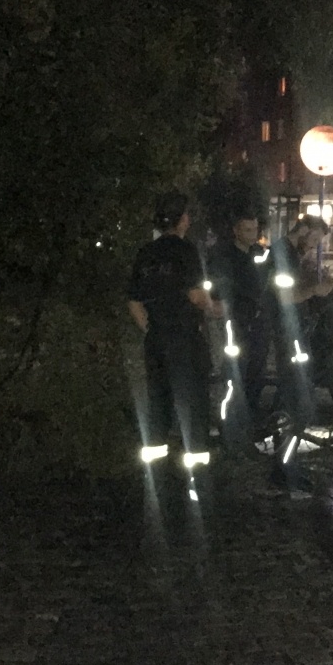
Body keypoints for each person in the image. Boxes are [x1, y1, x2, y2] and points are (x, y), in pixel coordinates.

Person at [127, 191, 220, 466]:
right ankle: (197, 468)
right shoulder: (185, 251)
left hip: (156, 340)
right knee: (193, 402)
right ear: (181, 219)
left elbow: (134, 301)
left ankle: (157, 466)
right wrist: (217, 308)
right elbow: (196, 295)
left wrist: (151, 328)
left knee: (158, 401)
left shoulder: (146, 253)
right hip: (185, 339)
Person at [208, 208, 271, 446]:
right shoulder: (225, 257)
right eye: (247, 229)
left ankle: (248, 431)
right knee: (235, 378)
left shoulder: (259, 253)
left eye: (255, 229)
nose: (252, 234)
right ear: (236, 231)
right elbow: (220, 290)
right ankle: (230, 433)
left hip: (258, 323)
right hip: (236, 325)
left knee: (256, 376)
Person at [266, 216, 333, 425]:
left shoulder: (291, 254)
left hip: (292, 324)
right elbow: (285, 296)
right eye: (314, 239)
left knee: (295, 372)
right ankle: (287, 419)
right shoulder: (283, 255)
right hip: (286, 325)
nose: (314, 246)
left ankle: (288, 417)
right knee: (292, 373)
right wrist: (314, 290)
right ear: (303, 230)